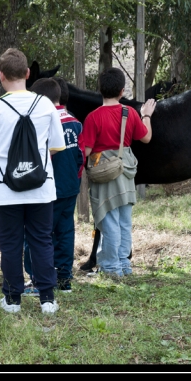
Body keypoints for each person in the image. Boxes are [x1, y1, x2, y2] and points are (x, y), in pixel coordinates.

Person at [0, 48, 66, 314]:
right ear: (27, 73)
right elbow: (57, 146)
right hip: (41, 187)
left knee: (10, 243)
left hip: (5, 190)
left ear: (1, 76)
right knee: (42, 240)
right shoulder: (46, 104)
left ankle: (12, 300)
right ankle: (47, 298)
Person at [81, 67, 156, 278]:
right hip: (125, 172)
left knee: (109, 220)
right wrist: (147, 115)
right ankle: (124, 265)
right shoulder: (129, 113)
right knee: (124, 220)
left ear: (100, 90)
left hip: (104, 174)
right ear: (122, 91)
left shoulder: (93, 117)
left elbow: (86, 152)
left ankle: (111, 268)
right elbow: (147, 137)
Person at [23, 77, 84, 295]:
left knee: (38, 234)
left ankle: (39, 280)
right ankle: (64, 279)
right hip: (70, 188)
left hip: (46, 190)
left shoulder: (43, 122)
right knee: (65, 232)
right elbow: (81, 157)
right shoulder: (76, 123)